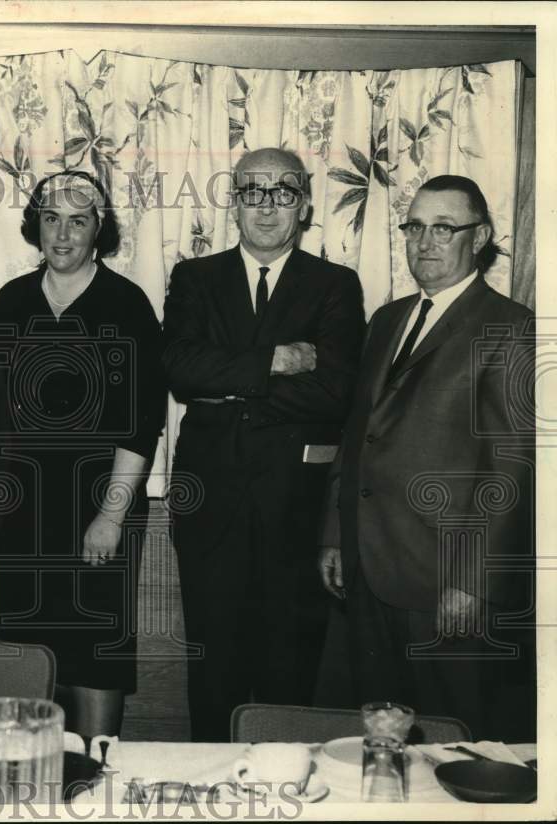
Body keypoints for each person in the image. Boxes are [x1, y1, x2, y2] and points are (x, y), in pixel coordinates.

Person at [318, 175, 535, 741]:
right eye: (415, 227)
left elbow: (512, 467)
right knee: (378, 737)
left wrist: (473, 580)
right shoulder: (387, 320)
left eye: (444, 228)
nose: (425, 242)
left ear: (480, 237)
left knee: (454, 742)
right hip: (369, 568)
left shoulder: (511, 327)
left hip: (445, 581)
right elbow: (357, 431)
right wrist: (335, 536)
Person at [163, 148, 366, 742]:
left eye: (283, 192)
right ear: (234, 202)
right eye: (254, 191)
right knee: (213, 679)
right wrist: (276, 361)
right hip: (209, 509)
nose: (268, 206)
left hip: (295, 511)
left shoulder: (334, 284)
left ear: (304, 204)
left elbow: (334, 392)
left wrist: (227, 389)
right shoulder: (194, 278)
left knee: (287, 679)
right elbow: (178, 369)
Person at [0, 171, 165, 737]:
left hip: (100, 505)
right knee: (29, 649)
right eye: (51, 218)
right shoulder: (11, 300)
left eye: (78, 221)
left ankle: (97, 777)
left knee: (96, 648)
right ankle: (31, 782)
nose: (62, 234)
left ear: (98, 231)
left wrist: (111, 516)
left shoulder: (126, 302)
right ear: (36, 225)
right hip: (27, 509)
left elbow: (142, 423)